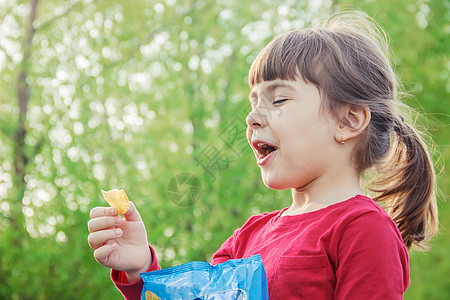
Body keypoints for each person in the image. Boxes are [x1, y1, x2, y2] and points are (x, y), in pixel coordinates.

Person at [87, 11, 438, 299]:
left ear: (348, 120)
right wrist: (140, 271)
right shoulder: (249, 236)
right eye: (254, 102)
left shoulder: (363, 230)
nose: (252, 117)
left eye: (278, 99)